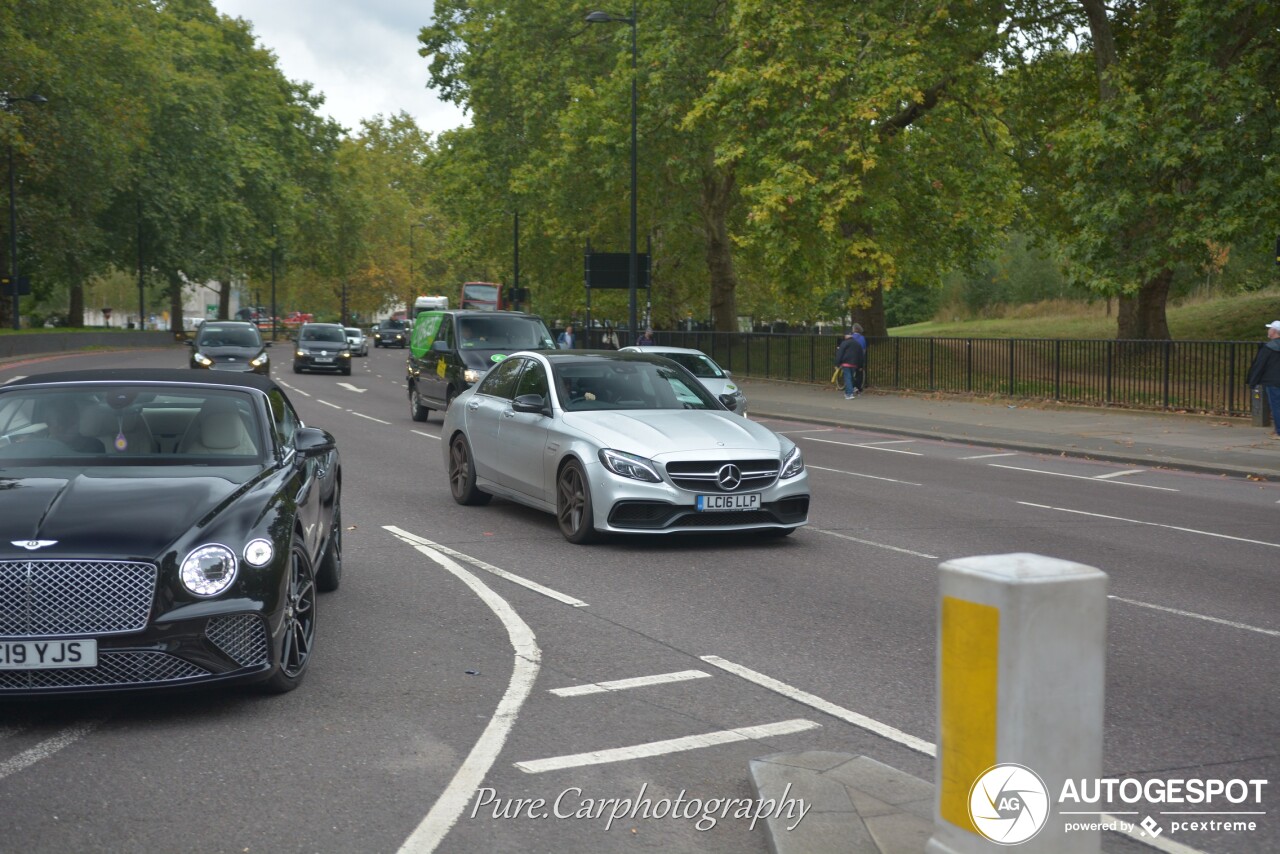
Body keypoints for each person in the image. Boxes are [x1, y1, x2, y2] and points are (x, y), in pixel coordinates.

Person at [1246, 320, 1280, 438]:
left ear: (1274, 332)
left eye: (1270, 329)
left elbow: (1259, 365)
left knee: (1276, 405)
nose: (1268, 330)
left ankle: (1278, 431)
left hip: (1273, 381)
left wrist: (1252, 381)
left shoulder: (1268, 348)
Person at [834, 330, 865, 401]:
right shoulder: (857, 344)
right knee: (851, 377)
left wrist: (837, 363)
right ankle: (849, 391)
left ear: (846, 336)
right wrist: (860, 365)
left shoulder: (844, 343)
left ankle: (849, 394)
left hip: (846, 363)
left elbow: (840, 354)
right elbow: (861, 356)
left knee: (847, 378)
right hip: (854, 364)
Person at [850, 323, 868, 396]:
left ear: (854, 329)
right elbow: (864, 349)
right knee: (859, 373)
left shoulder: (851, 337)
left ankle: (854, 386)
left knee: (849, 374)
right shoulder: (862, 338)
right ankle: (859, 388)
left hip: (851, 358)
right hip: (860, 357)